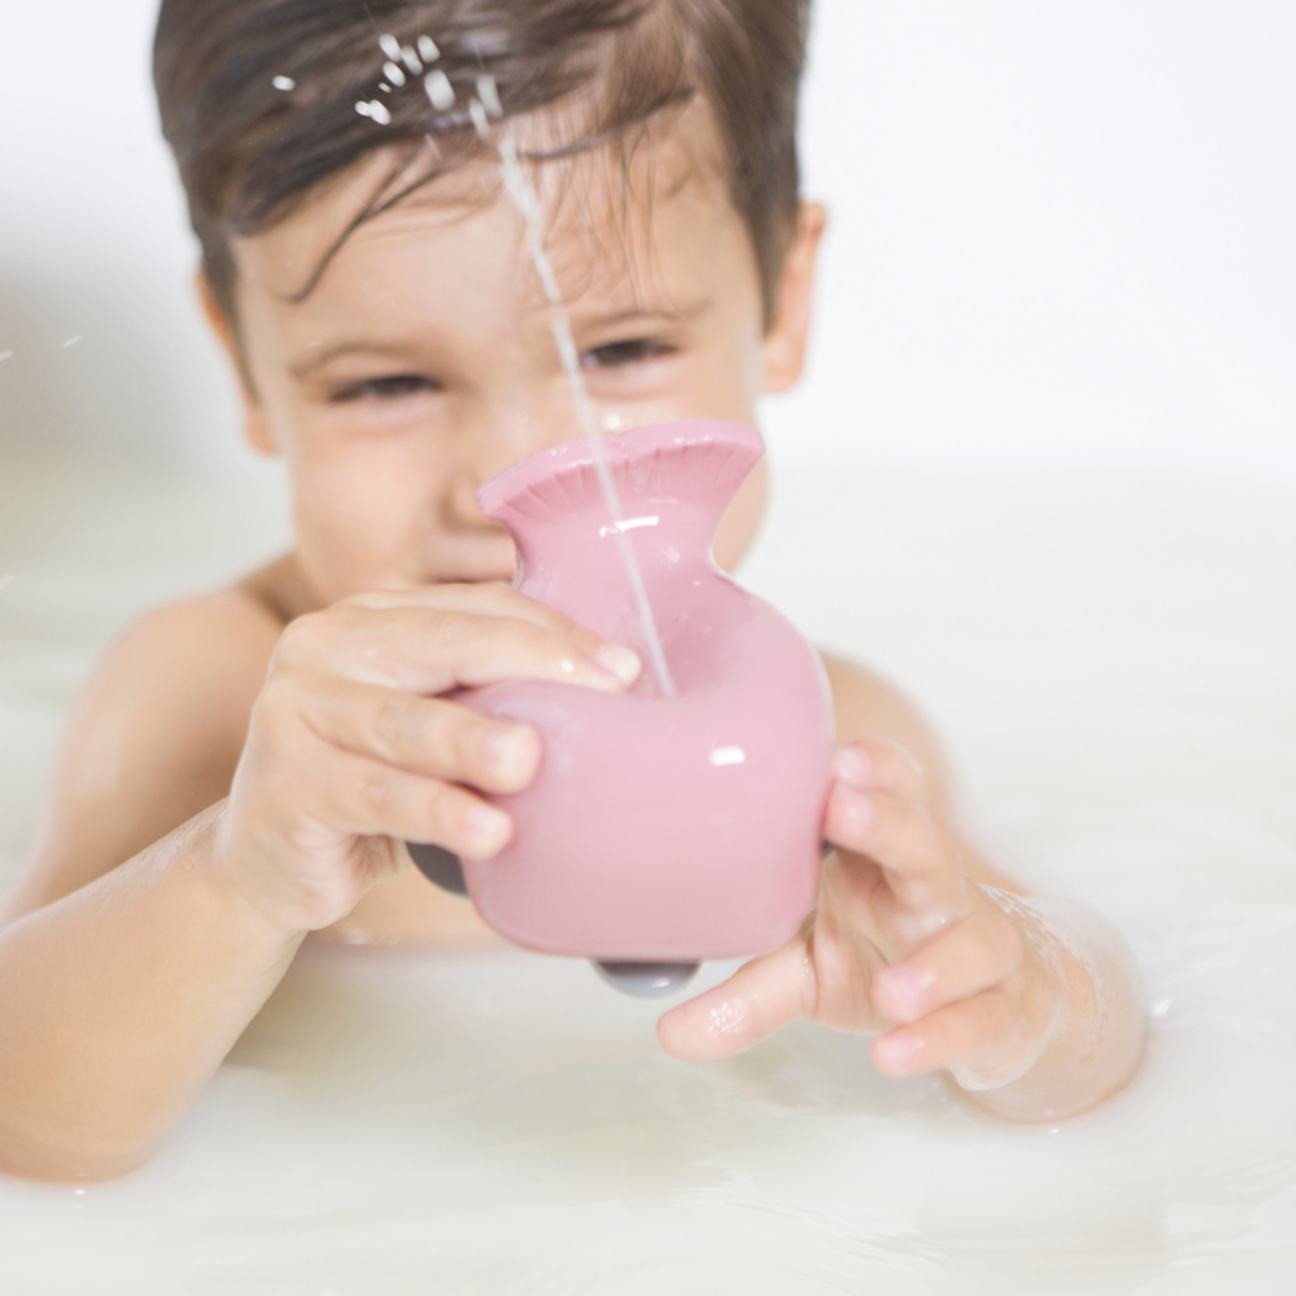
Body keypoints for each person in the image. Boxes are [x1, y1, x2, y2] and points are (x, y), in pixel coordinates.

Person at [0, 0, 1147, 1184]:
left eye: (621, 354)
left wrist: (1018, 1004)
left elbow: (1087, 1020)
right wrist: (238, 875)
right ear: (245, 365)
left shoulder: (835, 740)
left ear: (785, 303)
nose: (512, 483)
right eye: (387, 382)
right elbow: (22, 1116)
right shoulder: (219, 698)